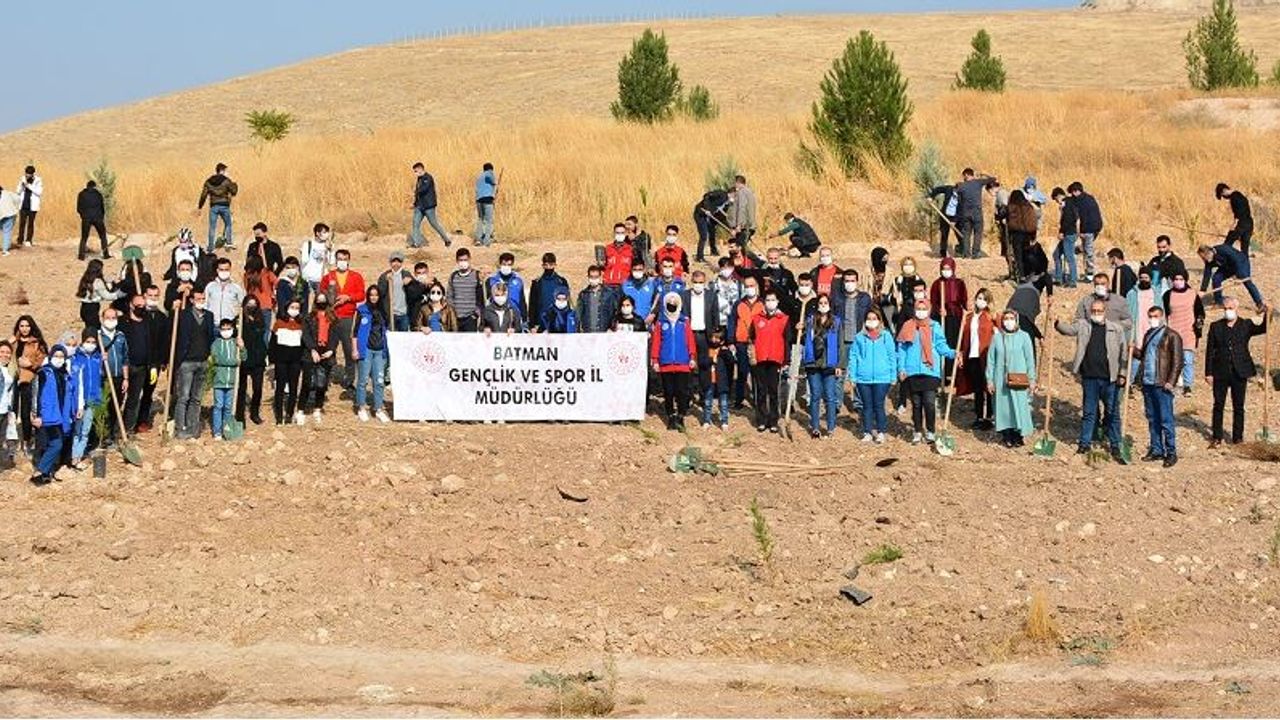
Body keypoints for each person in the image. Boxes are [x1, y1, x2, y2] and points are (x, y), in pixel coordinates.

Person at [1056, 298, 1128, 461]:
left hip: (1110, 379)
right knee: (1089, 412)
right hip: (1089, 377)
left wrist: (1122, 374)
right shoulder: (1083, 325)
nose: (1096, 313)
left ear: (1105, 312)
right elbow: (1069, 330)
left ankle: (1115, 445)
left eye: (1099, 311)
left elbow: (1123, 353)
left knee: (1113, 413)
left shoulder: (1116, 329)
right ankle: (1084, 443)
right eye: (1093, 311)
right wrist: (1057, 323)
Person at [1205, 297, 1268, 446]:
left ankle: (1237, 438)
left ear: (1236, 308)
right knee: (1218, 405)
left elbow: (1263, 328)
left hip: (1240, 371)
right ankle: (1217, 437)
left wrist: (1267, 313)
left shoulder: (1245, 325)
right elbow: (1210, 351)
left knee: (1238, 406)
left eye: (1231, 308)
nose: (1228, 311)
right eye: (1226, 308)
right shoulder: (1216, 326)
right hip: (1220, 371)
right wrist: (1208, 372)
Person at [897, 298, 955, 444]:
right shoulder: (908, 326)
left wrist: (953, 353)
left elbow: (941, 345)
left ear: (929, 310)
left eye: (924, 309)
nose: (921, 312)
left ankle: (930, 431)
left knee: (929, 402)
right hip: (912, 370)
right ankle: (917, 431)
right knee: (916, 404)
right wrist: (901, 368)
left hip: (930, 369)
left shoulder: (934, 326)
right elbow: (902, 349)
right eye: (918, 309)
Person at [1131, 305, 1182, 467]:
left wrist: (1171, 381)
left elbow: (1177, 361)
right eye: (1150, 316)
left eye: (1155, 316)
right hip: (1148, 382)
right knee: (1152, 418)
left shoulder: (1172, 335)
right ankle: (1156, 449)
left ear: (1162, 317)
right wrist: (1133, 350)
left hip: (1162, 383)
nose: (1152, 319)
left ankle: (1171, 452)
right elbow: (1144, 356)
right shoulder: (1148, 334)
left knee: (1166, 419)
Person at [985, 309, 1037, 448]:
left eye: (1011, 318)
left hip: (1019, 378)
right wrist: (990, 380)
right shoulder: (997, 338)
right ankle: (1006, 435)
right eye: (1006, 318)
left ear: (1016, 320)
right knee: (1004, 408)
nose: (1009, 321)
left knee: (1019, 406)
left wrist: (1032, 379)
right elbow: (991, 360)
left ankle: (1018, 435)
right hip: (1000, 379)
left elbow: (1030, 360)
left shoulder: (1024, 337)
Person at [29, 344, 78, 486]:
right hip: (46, 415)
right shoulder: (43, 373)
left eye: (62, 356)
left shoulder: (65, 374)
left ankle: (45, 473)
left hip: (60, 416)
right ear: (50, 357)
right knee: (50, 444)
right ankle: (39, 472)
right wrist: (36, 414)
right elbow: (36, 394)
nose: (59, 359)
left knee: (55, 444)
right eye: (56, 356)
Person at [846, 309, 895, 442]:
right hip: (863, 378)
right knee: (866, 406)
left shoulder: (886, 336)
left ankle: (881, 431)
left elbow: (892, 356)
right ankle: (867, 431)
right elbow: (853, 357)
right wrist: (852, 376)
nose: (871, 321)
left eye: (874, 318)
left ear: (879, 320)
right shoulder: (859, 337)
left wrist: (893, 376)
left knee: (879, 405)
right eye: (869, 318)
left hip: (882, 378)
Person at [650, 292, 697, 430]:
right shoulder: (661, 323)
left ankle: (681, 416)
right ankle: (671, 416)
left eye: (674, 302)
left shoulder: (684, 321)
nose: (672, 305)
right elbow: (656, 342)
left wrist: (692, 357)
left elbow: (690, 340)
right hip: (666, 363)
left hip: (683, 362)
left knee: (682, 392)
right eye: (669, 303)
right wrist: (655, 360)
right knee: (668, 392)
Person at [319, 248, 366, 384]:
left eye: (345, 259)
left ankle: (349, 379)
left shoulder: (356, 276)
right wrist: (328, 297)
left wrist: (348, 297)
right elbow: (321, 293)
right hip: (331, 317)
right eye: (339, 259)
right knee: (329, 347)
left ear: (349, 260)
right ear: (335, 260)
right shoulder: (328, 277)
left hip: (348, 317)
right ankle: (325, 377)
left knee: (348, 348)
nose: (342, 262)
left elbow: (361, 294)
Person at [173, 290, 215, 439]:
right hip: (187, 362)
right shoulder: (183, 315)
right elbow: (174, 331)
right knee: (183, 397)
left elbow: (211, 336)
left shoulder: (209, 316)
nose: (201, 301)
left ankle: (193, 427)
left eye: (203, 298)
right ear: (191, 300)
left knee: (196, 398)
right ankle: (180, 428)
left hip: (202, 361)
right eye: (198, 298)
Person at [957, 288, 998, 431]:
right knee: (978, 388)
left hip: (986, 356)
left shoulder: (991, 316)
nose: (981, 301)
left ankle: (990, 416)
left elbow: (1002, 331)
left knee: (988, 386)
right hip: (972, 356)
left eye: (984, 299)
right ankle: (979, 416)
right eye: (979, 298)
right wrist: (961, 352)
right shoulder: (969, 317)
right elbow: (963, 337)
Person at [749, 290, 790, 432]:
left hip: (775, 358)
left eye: (773, 300)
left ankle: (773, 420)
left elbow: (787, 341)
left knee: (773, 391)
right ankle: (761, 419)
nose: (770, 302)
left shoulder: (783, 319)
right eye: (768, 300)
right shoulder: (756, 318)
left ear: (777, 302)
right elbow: (751, 338)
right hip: (760, 358)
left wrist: (786, 360)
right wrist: (752, 355)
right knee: (761, 390)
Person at [801, 295, 842, 438]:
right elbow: (804, 338)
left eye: (825, 302)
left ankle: (831, 427)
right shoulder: (810, 320)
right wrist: (800, 329)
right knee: (815, 396)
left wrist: (839, 365)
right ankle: (815, 427)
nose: (823, 305)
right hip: (813, 363)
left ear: (830, 305)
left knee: (830, 397)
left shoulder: (836, 322)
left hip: (829, 363)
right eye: (820, 302)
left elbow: (840, 344)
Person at [1162, 269, 1205, 396]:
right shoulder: (1168, 295)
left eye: (1181, 279)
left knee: (1187, 360)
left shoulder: (1193, 294)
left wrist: (1198, 324)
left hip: (1188, 331)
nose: (1178, 281)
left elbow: (1200, 312)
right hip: (1173, 331)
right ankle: (1173, 382)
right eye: (1176, 279)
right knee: (1173, 359)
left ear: (1185, 280)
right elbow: (1164, 313)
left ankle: (1187, 385)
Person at [352, 285, 391, 423]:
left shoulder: (383, 311)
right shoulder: (362, 310)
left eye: (376, 295)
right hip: (366, 349)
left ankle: (378, 408)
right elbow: (355, 332)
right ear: (368, 296)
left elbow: (387, 329)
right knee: (363, 380)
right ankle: (361, 407)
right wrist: (355, 349)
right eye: (371, 295)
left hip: (380, 350)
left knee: (379, 381)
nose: (374, 297)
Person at [11, 315, 47, 454]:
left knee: (26, 412)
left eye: (27, 326)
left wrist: (30, 364)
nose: (24, 329)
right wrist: (10, 340)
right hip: (13, 379)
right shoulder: (14, 341)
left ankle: (27, 440)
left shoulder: (36, 342)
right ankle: (12, 442)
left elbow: (43, 360)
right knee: (12, 411)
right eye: (22, 326)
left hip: (28, 379)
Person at [136, 285, 170, 432]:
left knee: (148, 392)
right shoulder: (139, 315)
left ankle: (143, 420)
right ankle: (130, 421)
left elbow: (165, 341)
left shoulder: (162, 317)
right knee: (134, 393)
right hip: (139, 362)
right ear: (145, 295)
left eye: (156, 295)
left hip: (154, 364)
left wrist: (163, 361)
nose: (153, 298)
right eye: (150, 295)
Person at [68, 330, 102, 471]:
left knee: (85, 430)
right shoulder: (76, 358)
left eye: (94, 342)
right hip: (79, 401)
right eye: (88, 341)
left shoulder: (98, 358)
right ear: (82, 342)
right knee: (77, 430)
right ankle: (73, 457)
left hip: (93, 399)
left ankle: (78, 457)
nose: (91, 344)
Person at [302, 294, 338, 422]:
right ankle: (301, 409)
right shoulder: (309, 317)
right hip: (311, 351)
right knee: (308, 382)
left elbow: (335, 335)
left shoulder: (333, 317)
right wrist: (312, 349)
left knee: (322, 383)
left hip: (326, 351)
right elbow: (306, 335)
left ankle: (317, 408)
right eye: (319, 300)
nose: (321, 302)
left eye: (323, 300)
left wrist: (331, 350)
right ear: (315, 302)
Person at [270, 299, 306, 425]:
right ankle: (279, 416)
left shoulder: (301, 324)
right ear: (286, 308)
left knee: (293, 388)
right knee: (280, 388)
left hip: (295, 361)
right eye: (292, 307)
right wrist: (272, 359)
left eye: (297, 308)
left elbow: (303, 344)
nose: (294, 310)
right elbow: (273, 343)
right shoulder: (279, 323)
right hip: (281, 360)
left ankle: (289, 414)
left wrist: (302, 361)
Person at [1199, 243, 1265, 311]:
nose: (1203, 260)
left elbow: (1237, 261)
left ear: (1209, 253)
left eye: (1203, 258)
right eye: (1202, 258)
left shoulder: (1224, 250)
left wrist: (1237, 277)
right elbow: (1207, 274)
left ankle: (1260, 304)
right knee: (1216, 278)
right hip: (1227, 267)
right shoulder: (1209, 260)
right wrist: (1203, 290)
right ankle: (1219, 302)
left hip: (1241, 263)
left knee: (1246, 281)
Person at [120, 296, 152, 434]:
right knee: (118, 398)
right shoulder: (123, 322)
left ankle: (128, 429)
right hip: (125, 367)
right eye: (138, 305)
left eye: (143, 305)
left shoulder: (146, 322)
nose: (141, 308)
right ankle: (114, 430)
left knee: (133, 400)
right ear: (131, 305)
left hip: (141, 367)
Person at [929, 257, 968, 369]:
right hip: (942, 317)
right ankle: (944, 370)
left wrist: (966, 311)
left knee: (955, 342)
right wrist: (939, 310)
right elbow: (934, 302)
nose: (946, 271)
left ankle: (954, 370)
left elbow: (964, 301)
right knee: (943, 342)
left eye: (948, 268)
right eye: (944, 269)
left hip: (956, 317)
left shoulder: (959, 283)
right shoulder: (937, 284)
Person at [731, 277, 764, 407]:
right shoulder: (739, 304)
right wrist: (731, 340)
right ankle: (739, 400)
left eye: (752, 285)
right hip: (741, 342)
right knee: (742, 371)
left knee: (757, 373)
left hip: (758, 343)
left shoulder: (762, 303)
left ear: (756, 286)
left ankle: (758, 400)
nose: (749, 288)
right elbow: (732, 322)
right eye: (747, 286)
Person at [237, 296, 268, 425]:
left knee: (258, 388)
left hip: (258, 358)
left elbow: (262, 336)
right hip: (244, 357)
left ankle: (254, 413)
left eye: (254, 304)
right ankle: (239, 415)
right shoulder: (239, 320)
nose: (252, 307)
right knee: (241, 388)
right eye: (249, 304)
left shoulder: (260, 319)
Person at [208, 319, 241, 440]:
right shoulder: (216, 344)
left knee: (228, 407)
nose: (226, 331)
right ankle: (217, 431)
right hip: (219, 381)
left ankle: (226, 430)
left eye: (228, 328)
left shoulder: (235, 343)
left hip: (231, 382)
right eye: (223, 329)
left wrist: (242, 347)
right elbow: (217, 359)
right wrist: (234, 362)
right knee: (218, 406)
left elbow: (243, 357)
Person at [954, 168, 997, 259]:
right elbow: (993, 179)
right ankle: (976, 253)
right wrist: (984, 174)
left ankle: (966, 254)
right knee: (978, 233)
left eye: (963, 176)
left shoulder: (961, 186)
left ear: (966, 175)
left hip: (965, 213)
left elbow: (958, 199)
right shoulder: (978, 182)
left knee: (966, 233)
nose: (963, 178)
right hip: (977, 213)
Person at [410, 162, 452, 248]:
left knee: (434, 224)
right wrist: (414, 203)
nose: (415, 173)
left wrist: (415, 191)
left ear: (421, 169)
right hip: (419, 206)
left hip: (428, 206)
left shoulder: (428, 178)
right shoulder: (419, 179)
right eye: (414, 171)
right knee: (415, 224)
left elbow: (423, 189)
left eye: (416, 171)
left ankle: (446, 240)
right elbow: (418, 194)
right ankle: (416, 243)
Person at [197, 163, 238, 252]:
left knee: (212, 227)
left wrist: (200, 207)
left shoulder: (208, 181)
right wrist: (235, 184)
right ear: (222, 170)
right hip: (224, 206)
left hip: (214, 206)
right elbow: (234, 192)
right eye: (225, 170)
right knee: (228, 223)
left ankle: (211, 247)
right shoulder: (226, 181)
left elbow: (203, 195)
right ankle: (228, 242)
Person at [528, 253, 570, 333]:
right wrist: (532, 325)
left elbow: (567, 304)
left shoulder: (561, 282)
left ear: (555, 265)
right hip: (540, 324)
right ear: (542, 266)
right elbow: (532, 305)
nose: (548, 267)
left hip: (558, 323)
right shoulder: (537, 283)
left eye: (551, 265)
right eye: (546, 265)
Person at [76, 259, 122, 330]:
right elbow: (107, 296)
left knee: (89, 328)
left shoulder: (85, 279)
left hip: (84, 307)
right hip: (92, 309)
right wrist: (119, 294)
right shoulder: (97, 282)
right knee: (95, 329)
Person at [1069, 181, 1103, 277]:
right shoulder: (1089, 198)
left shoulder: (1082, 202)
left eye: (1072, 193)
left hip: (1089, 229)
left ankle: (1090, 275)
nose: (1072, 195)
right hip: (1097, 227)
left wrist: (1082, 232)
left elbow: (1085, 218)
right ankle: (1088, 272)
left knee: (1088, 251)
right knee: (1087, 249)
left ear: (1076, 191)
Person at [447, 248, 485, 332]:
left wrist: (476, 314)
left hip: (470, 318)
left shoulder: (477, 275)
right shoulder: (453, 276)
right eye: (461, 260)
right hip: (455, 318)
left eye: (465, 260)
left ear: (469, 259)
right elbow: (449, 296)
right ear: (457, 261)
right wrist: (452, 313)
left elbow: (481, 297)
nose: (463, 262)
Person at [242, 254, 277, 345]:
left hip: (252, 306)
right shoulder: (267, 273)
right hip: (266, 306)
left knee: (253, 330)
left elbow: (246, 288)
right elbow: (277, 283)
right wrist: (273, 295)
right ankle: (264, 349)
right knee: (265, 331)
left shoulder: (247, 275)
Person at [1125, 265, 1160, 355]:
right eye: (1141, 277)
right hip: (1137, 328)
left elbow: (1161, 312)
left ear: (1150, 279)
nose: (1144, 280)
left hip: (1152, 326)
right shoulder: (1132, 294)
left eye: (1146, 277)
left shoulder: (1156, 294)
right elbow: (1127, 314)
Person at [1005, 189, 1038, 281]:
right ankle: (1028, 273)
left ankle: (1021, 275)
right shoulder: (1029, 206)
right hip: (1028, 233)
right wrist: (1033, 234)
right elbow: (1033, 220)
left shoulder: (1011, 207)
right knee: (1025, 254)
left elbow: (1003, 216)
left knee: (1018, 255)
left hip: (1016, 233)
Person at [703, 329, 734, 429]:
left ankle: (724, 421)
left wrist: (724, 351)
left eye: (717, 338)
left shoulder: (724, 352)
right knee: (708, 402)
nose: (714, 340)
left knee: (723, 403)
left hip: (721, 381)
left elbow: (731, 361)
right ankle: (707, 420)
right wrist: (712, 359)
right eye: (713, 337)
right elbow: (702, 363)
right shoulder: (708, 350)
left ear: (722, 341)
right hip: (709, 380)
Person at [376, 251, 412, 332]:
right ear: (390, 263)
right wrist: (385, 281)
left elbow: (413, 292)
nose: (396, 264)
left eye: (398, 261)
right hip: (390, 314)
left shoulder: (406, 275)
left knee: (403, 337)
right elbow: (380, 293)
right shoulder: (384, 276)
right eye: (394, 261)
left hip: (404, 313)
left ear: (401, 263)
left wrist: (411, 282)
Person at [1051, 187, 1079, 288]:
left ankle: (1073, 281)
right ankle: (1059, 278)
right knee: (1056, 254)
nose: (1057, 202)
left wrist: (1062, 232)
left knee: (1069, 257)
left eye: (1056, 200)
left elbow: (1067, 220)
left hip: (1069, 233)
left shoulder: (1066, 204)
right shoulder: (1071, 202)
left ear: (1059, 196)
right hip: (1070, 233)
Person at [204, 257, 245, 327]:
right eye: (221, 270)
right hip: (212, 324)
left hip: (229, 325)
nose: (224, 272)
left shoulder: (236, 288)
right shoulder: (210, 286)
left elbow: (243, 304)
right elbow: (205, 304)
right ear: (217, 270)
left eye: (226, 269)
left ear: (230, 270)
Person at [576, 266, 618, 333]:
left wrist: (612, 328)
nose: (593, 279)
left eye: (596, 277)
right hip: (588, 332)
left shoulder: (609, 294)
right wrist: (579, 328)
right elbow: (578, 314)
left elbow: (615, 313)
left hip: (605, 332)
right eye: (591, 277)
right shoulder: (583, 295)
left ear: (600, 277)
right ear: (588, 277)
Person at [486, 252, 527, 320]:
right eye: (504, 264)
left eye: (509, 265)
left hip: (515, 316)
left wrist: (524, 318)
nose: (506, 267)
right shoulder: (491, 280)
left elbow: (522, 300)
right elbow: (488, 300)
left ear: (512, 264)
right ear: (500, 264)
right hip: (497, 318)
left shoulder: (518, 280)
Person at [76, 180, 109, 261]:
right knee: (103, 236)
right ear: (94, 186)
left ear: (87, 186)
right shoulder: (98, 194)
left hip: (86, 218)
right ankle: (106, 254)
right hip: (98, 218)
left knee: (84, 237)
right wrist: (101, 217)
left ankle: (81, 256)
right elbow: (102, 208)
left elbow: (78, 208)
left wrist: (83, 216)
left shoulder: (81, 194)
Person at [694, 187, 729, 262]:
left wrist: (730, 227)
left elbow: (722, 217)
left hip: (711, 216)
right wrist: (706, 209)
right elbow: (706, 195)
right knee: (704, 235)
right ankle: (699, 257)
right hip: (701, 214)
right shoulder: (722, 194)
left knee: (712, 233)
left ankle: (713, 250)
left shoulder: (728, 203)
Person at [1216, 182, 1253, 255]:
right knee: (1245, 248)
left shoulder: (1233, 198)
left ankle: (1224, 260)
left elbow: (1238, 214)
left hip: (1241, 223)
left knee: (1227, 244)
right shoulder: (1240, 195)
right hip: (1249, 223)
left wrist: (1233, 226)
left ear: (1224, 191)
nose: (1224, 198)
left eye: (1222, 195)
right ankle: (1245, 262)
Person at [928, 182, 960, 257]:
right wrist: (931, 197)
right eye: (956, 191)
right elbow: (937, 190)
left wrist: (954, 220)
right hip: (945, 215)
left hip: (956, 216)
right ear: (954, 189)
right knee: (944, 233)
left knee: (959, 233)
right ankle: (943, 252)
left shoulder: (963, 194)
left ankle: (962, 250)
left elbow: (961, 209)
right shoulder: (949, 189)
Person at [300, 223, 334, 294]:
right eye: (324, 232)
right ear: (317, 233)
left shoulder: (329, 245)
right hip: (308, 279)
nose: (326, 234)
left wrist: (330, 250)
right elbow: (304, 261)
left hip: (321, 279)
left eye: (327, 232)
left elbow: (331, 262)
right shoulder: (308, 244)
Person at [622, 259, 659, 325]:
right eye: (635, 269)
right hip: (630, 323)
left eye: (640, 269)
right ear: (631, 270)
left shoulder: (651, 284)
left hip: (647, 323)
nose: (637, 272)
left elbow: (658, 302)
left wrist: (653, 314)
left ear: (644, 270)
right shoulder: (625, 285)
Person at [728, 175, 757, 250]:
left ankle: (755, 258)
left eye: (734, 183)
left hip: (744, 227)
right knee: (742, 247)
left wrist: (739, 225)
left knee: (740, 248)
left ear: (738, 183)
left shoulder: (741, 192)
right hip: (749, 225)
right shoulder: (750, 192)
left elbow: (742, 208)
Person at [16, 165, 42, 248]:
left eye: (29, 174)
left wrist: (28, 186)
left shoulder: (38, 180)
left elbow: (39, 192)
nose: (27, 175)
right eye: (26, 173)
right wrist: (22, 185)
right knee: (22, 223)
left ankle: (28, 240)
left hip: (32, 206)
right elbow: (18, 191)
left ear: (33, 174)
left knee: (30, 223)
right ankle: (20, 240)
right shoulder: (22, 179)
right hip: (23, 204)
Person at [602, 223, 635, 287]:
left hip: (625, 284)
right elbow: (602, 266)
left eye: (622, 233)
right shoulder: (608, 248)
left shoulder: (630, 249)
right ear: (614, 234)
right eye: (617, 233)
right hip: (609, 284)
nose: (620, 235)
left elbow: (634, 267)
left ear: (625, 234)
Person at [474, 162, 498, 247]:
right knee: (488, 220)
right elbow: (493, 182)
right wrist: (495, 186)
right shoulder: (489, 174)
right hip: (487, 199)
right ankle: (486, 240)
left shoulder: (479, 176)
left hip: (478, 200)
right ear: (491, 169)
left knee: (480, 219)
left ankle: (478, 239)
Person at [406, 261, 433, 328]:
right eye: (419, 273)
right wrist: (423, 285)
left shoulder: (433, 284)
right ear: (415, 274)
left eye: (424, 273)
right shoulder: (411, 285)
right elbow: (413, 296)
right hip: (416, 319)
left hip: (429, 318)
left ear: (427, 272)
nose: (421, 275)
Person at [0, 183, 19, 255]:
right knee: (7, 232)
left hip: (2, 215)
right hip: (10, 214)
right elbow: (18, 199)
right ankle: (5, 250)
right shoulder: (7, 193)